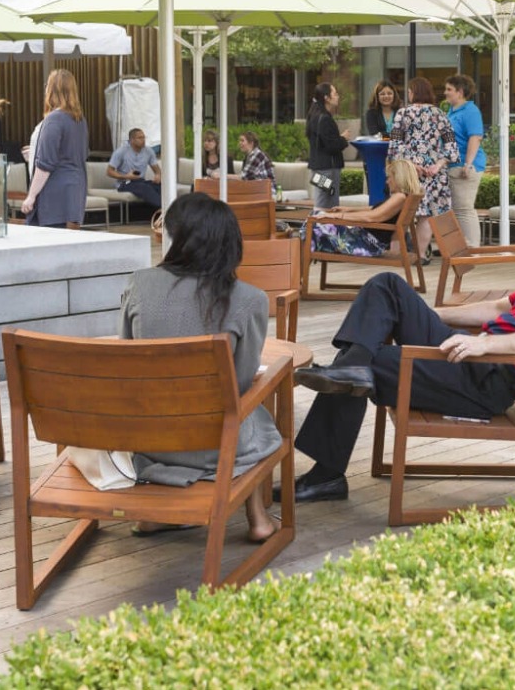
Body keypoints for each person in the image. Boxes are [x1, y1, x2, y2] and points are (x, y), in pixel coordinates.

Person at [283, 190, 515, 503]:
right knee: (387, 286)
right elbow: (500, 308)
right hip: (471, 359)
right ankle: (349, 369)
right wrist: (424, 313)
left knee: (370, 362)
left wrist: (484, 345)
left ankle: (328, 469)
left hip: (487, 382)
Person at [118, 193, 280, 541]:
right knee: (253, 414)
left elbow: (126, 362)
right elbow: (238, 383)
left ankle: (152, 515)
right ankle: (259, 519)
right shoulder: (250, 299)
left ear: (178, 239)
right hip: (213, 446)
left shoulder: (138, 284)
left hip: (147, 441)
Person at [390, 76, 459, 264]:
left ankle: (397, 256)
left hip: (409, 174)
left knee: (403, 213)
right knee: (427, 215)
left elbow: (395, 147)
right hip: (434, 174)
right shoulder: (440, 115)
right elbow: (452, 147)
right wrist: (437, 165)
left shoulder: (402, 114)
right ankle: (420, 256)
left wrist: (412, 164)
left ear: (413, 93)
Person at [309, 159, 422, 257]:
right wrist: (349, 209)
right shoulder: (404, 197)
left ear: (398, 178)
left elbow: (371, 217)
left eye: (389, 177)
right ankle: (297, 270)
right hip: (366, 240)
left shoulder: (399, 197)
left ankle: (297, 274)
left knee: (313, 223)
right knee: (315, 220)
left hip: (367, 244)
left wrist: (336, 216)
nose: (387, 182)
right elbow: (375, 210)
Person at [21, 69, 89, 229]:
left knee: (50, 245)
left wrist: (31, 196)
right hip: (76, 189)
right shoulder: (79, 119)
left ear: (51, 90)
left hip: (54, 193)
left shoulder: (53, 119)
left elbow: (45, 164)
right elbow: (77, 152)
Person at [444, 74, 487, 248]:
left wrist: (467, 164)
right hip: (453, 165)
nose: (445, 93)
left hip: (465, 166)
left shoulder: (470, 111)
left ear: (460, 92)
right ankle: (460, 246)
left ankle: (472, 247)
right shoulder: (453, 111)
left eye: (449, 89)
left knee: (464, 208)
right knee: (455, 209)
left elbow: (475, 137)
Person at [306, 82, 350, 210]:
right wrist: (343, 139)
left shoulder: (314, 115)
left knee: (322, 200)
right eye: (335, 94)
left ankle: (315, 228)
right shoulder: (324, 118)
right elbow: (331, 145)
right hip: (327, 169)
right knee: (327, 204)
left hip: (318, 168)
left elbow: (323, 142)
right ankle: (315, 228)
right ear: (326, 97)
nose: (338, 97)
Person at [108, 127, 162, 214]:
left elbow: (157, 169)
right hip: (125, 183)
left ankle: (167, 209)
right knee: (145, 188)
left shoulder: (148, 151)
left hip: (140, 181)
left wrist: (158, 175)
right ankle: (166, 209)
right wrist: (126, 176)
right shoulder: (121, 152)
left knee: (160, 186)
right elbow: (109, 171)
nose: (143, 140)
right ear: (132, 140)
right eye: (140, 138)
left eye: (144, 137)